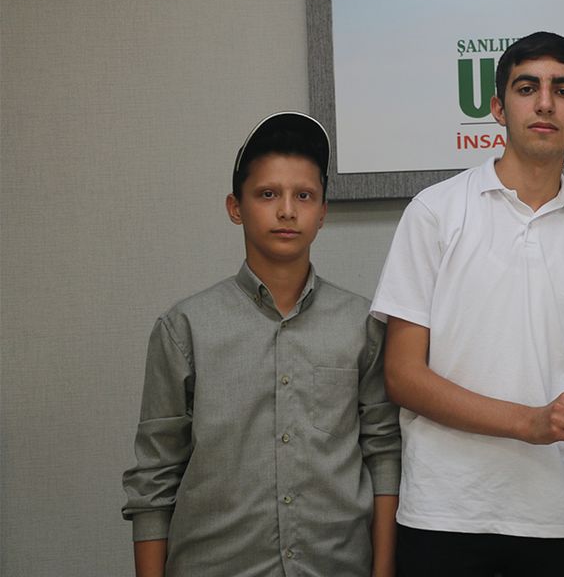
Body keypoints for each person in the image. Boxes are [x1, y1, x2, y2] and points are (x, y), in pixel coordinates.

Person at [371, 31, 564, 577]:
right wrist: (528, 422)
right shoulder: (435, 212)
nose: (544, 103)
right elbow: (402, 375)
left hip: (560, 518)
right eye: (527, 88)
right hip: (443, 512)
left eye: (563, 90)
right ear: (497, 107)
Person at [121, 111, 402, 577]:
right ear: (235, 208)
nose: (287, 210)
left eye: (304, 196)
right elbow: (155, 475)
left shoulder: (362, 324)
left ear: (322, 213)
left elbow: (384, 453)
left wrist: (384, 569)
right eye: (268, 194)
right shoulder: (184, 327)